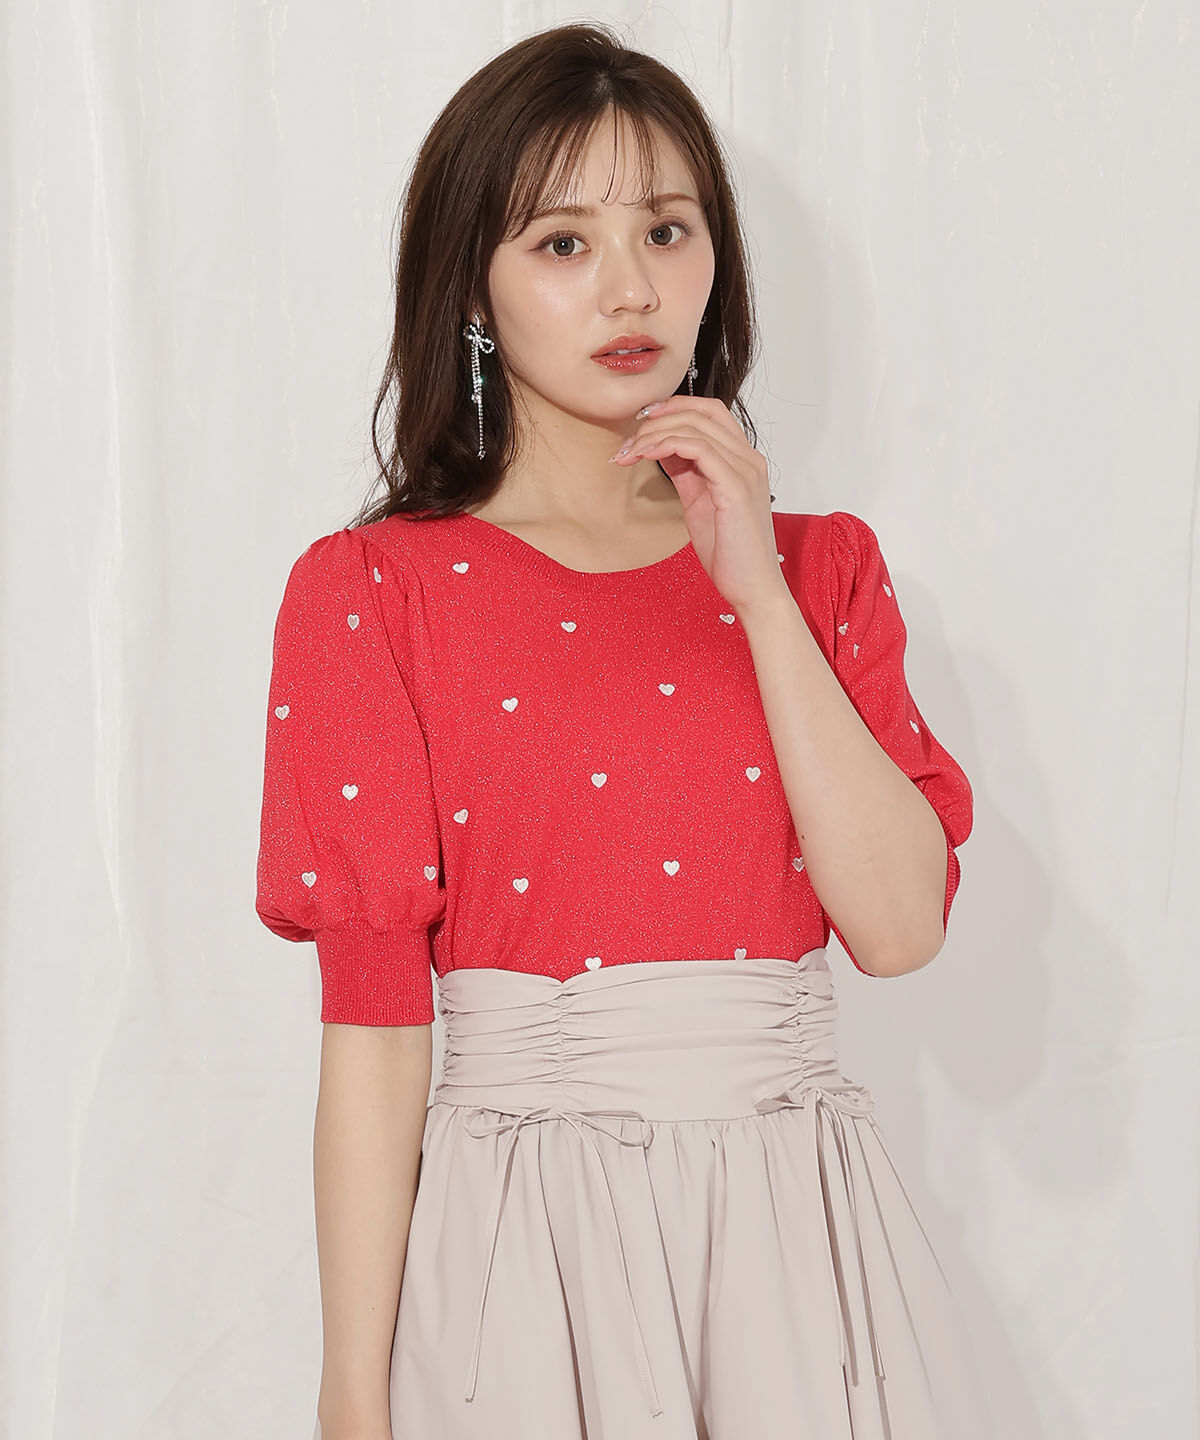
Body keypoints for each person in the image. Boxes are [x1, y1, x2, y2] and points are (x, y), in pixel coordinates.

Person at [255, 21, 991, 1440]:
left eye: (666, 229)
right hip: (525, 1247)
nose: (632, 287)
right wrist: (352, 1389)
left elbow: (902, 930)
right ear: (473, 286)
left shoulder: (822, 567)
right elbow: (375, 1029)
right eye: (562, 243)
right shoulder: (374, 592)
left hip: (796, 1243)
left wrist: (756, 591)